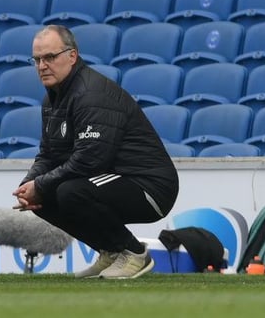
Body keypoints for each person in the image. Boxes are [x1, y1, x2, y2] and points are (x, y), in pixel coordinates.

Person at [12, 25, 179, 279]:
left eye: (50, 57)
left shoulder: (91, 94)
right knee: (42, 198)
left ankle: (134, 253)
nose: (42, 65)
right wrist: (30, 183)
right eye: (37, 59)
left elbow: (90, 161)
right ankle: (111, 251)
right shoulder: (53, 100)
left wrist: (42, 183)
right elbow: (48, 154)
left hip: (149, 185)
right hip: (113, 179)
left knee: (69, 190)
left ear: (72, 56)